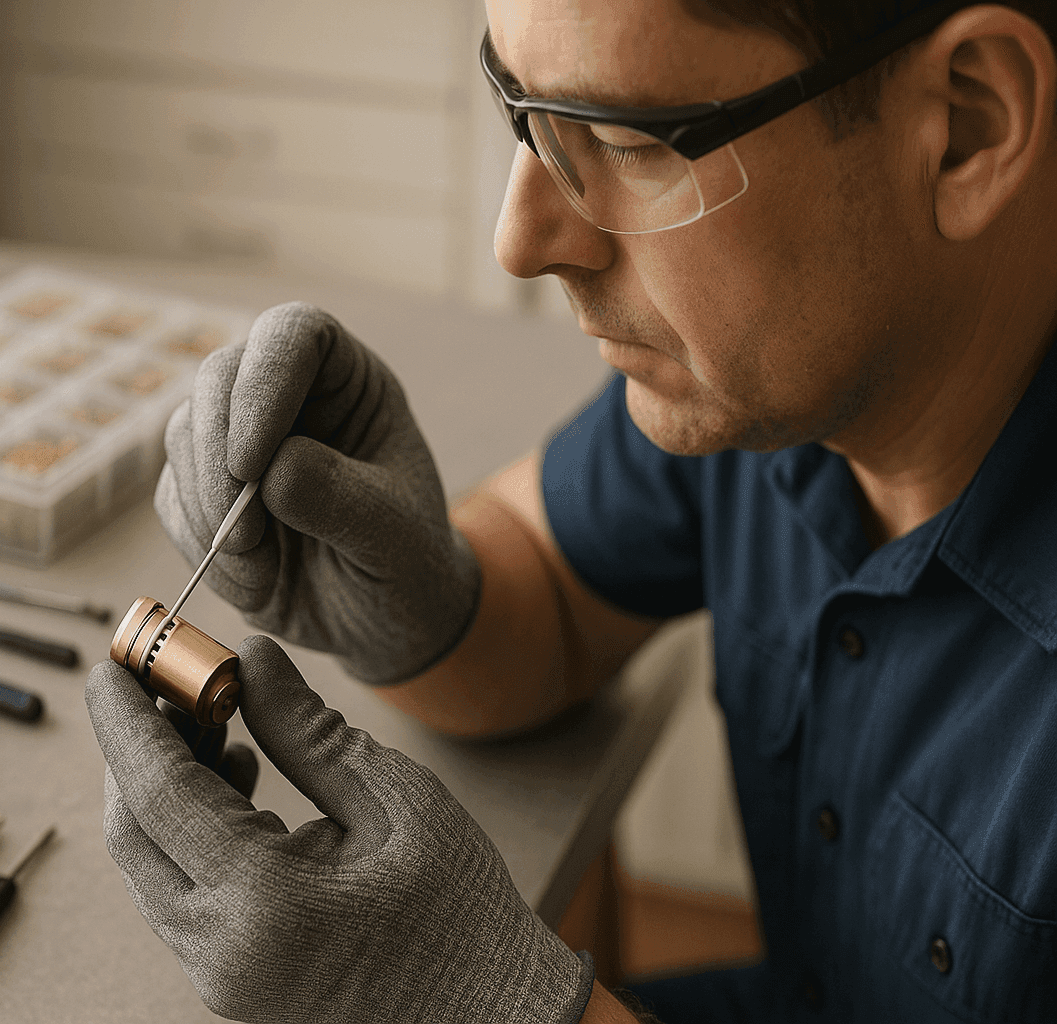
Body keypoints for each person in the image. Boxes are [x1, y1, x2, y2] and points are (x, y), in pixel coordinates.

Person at [85, 0, 1057, 1020]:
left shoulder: (777, 343)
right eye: (521, 108)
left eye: (631, 142)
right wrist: (422, 603)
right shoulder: (777, 376)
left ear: (966, 124)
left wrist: (478, 1003)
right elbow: (548, 596)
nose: (523, 238)